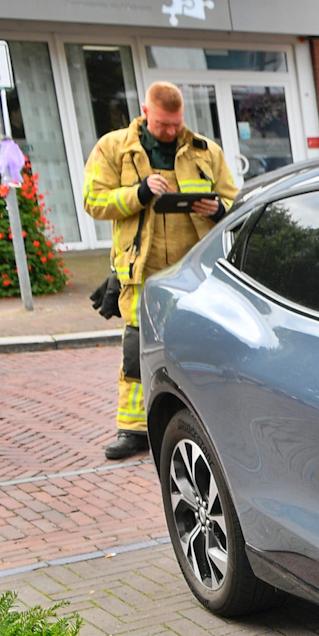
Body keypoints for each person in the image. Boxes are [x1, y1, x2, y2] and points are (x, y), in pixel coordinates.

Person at [82, 81, 235, 460]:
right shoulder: (114, 148)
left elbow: (233, 198)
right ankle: (133, 430)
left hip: (193, 268)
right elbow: (93, 200)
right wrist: (139, 194)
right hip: (142, 270)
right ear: (145, 112)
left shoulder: (204, 150)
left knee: (198, 341)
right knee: (137, 347)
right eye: (164, 124)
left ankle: (206, 415)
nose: (171, 132)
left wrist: (218, 210)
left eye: (176, 124)